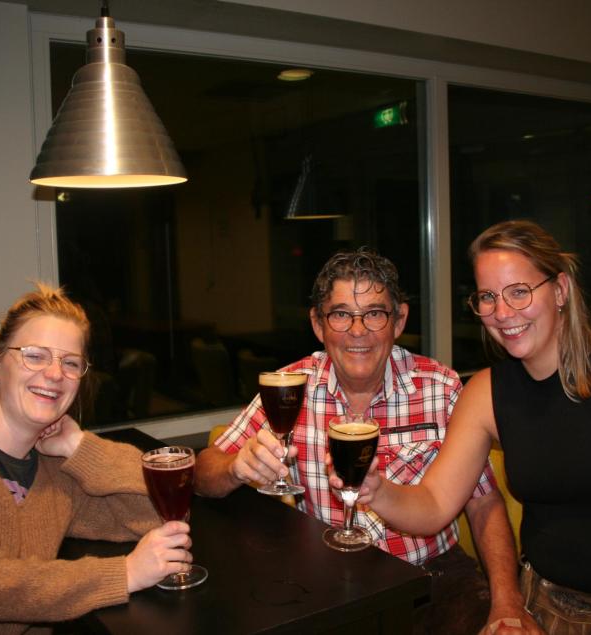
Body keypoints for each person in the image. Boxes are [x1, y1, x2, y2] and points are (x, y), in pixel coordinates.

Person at [195, 247, 536, 635]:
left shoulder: (440, 387)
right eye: (341, 315)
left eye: (374, 314)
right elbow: (204, 472)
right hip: (326, 580)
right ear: (318, 325)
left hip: (434, 577)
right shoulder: (290, 388)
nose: (358, 331)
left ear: (399, 320)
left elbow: (484, 502)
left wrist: (507, 602)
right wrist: (235, 467)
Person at [351, 220, 591, 634]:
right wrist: (377, 491)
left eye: (519, 291)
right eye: (488, 297)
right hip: (548, 607)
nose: (502, 313)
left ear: (560, 290)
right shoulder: (486, 393)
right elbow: (435, 503)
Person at [0, 284, 192, 634]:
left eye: (70, 363)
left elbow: (159, 515)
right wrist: (125, 573)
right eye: (35, 355)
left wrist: (78, 445)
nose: (54, 374)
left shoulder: (55, 470)